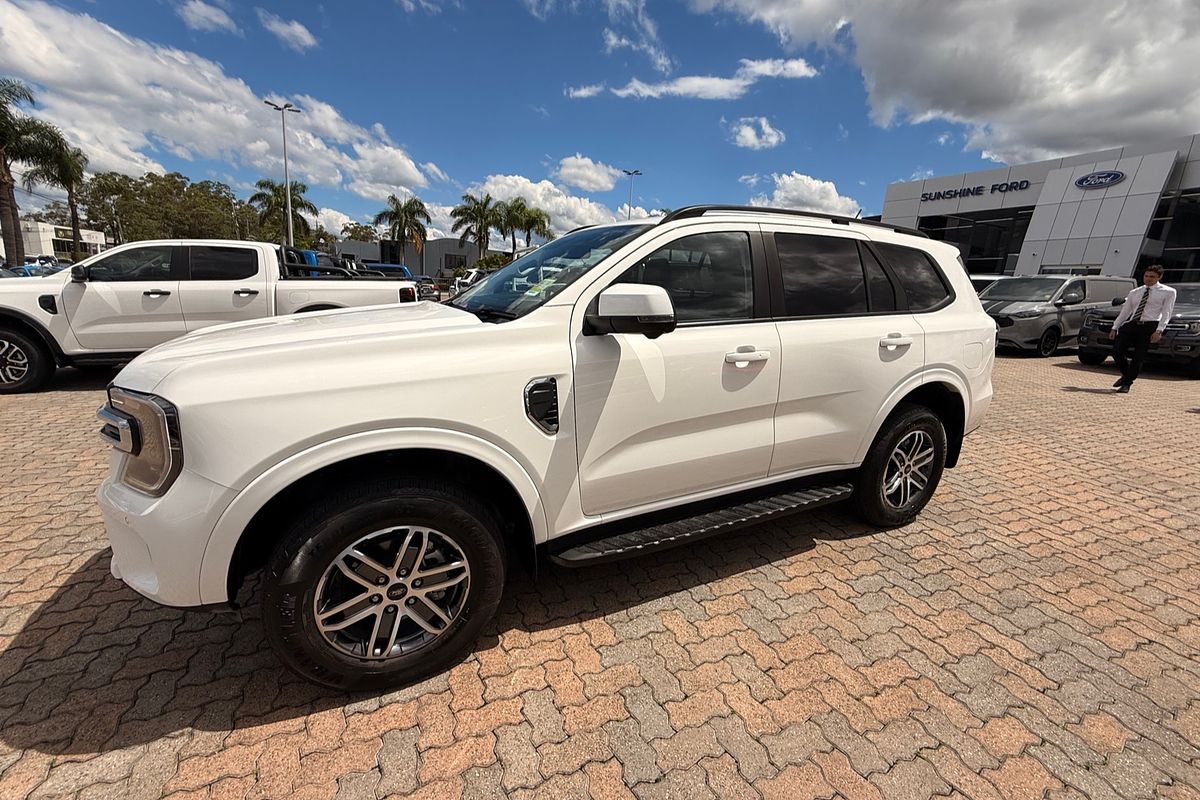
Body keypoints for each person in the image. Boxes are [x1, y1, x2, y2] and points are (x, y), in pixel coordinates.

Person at [1108, 265, 1176, 392]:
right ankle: (1126, 375)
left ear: (1159, 277)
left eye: (1152, 277)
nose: (1148, 279)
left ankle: (1127, 383)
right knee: (1117, 350)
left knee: (1138, 356)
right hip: (1132, 324)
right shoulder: (1135, 292)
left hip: (1150, 325)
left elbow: (1167, 312)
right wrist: (1115, 327)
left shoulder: (1168, 292)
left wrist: (1159, 330)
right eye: (1146, 276)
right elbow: (1126, 311)